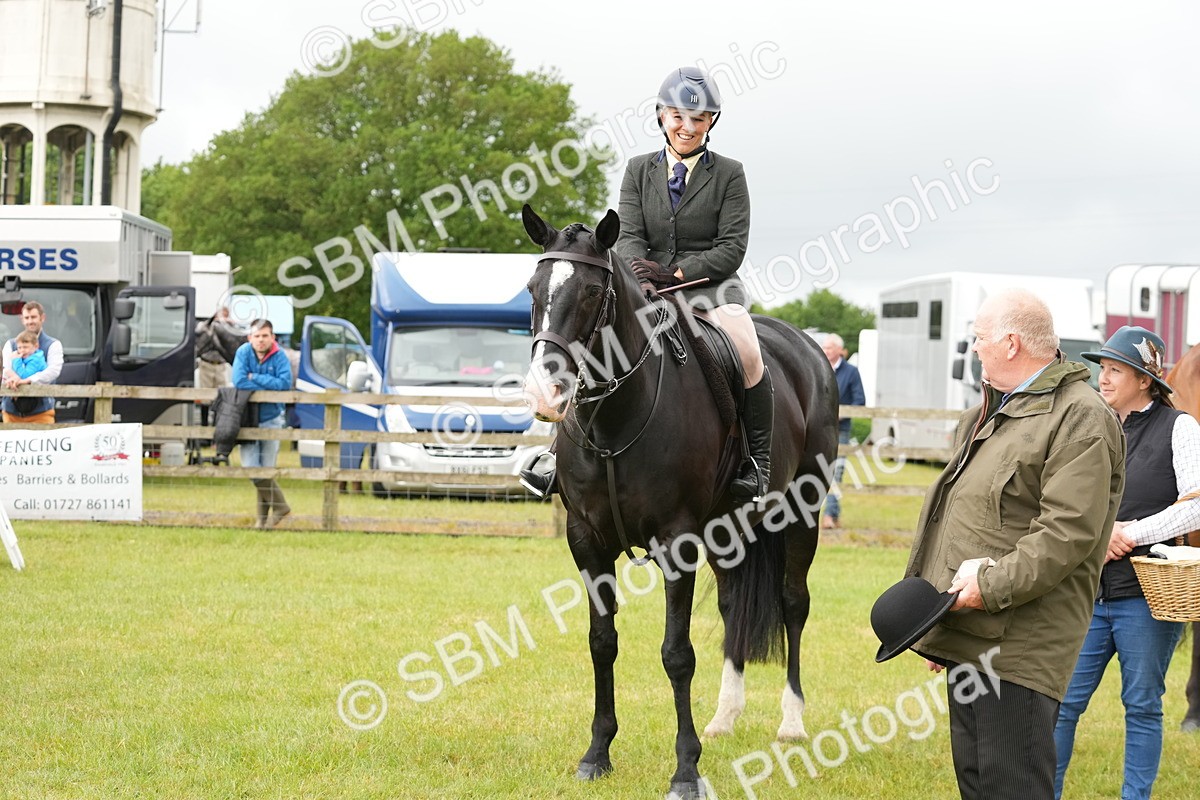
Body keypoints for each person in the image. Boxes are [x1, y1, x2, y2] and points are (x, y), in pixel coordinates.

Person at [903, 289, 1125, 800]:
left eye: (979, 338)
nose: (974, 348)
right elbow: (968, 522)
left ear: (1010, 343)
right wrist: (941, 621)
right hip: (973, 632)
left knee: (1012, 786)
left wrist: (983, 589)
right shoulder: (992, 410)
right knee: (978, 783)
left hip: (1020, 648)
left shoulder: (1080, 416)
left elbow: (1065, 534)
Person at [521, 66, 769, 502]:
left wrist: (676, 273)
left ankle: (756, 462)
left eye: (698, 118)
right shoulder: (638, 169)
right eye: (678, 117)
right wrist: (640, 272)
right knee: (593, 345)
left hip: (710, 290)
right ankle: (558, 455)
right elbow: (629, 232)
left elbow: (732, 247)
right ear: (661, 116)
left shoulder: (730, 173)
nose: (687, 127)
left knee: (747, 350)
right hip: (645, 287)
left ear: (711, 121)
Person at [1053, 326, 1194, 800]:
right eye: (1103, 369)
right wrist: (1100, 534)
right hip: (1087, 592)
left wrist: (1129, 534)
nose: (1104, 378)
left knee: (1142, 707)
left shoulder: (1180, 428)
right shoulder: (1092, 424)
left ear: (1145, 379)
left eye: (1116, 370)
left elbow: (1196, 505)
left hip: (1146, 595)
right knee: (1062, 703)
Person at [232, 318, 293, 528]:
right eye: (257, 336)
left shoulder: (280, 356)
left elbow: (284, 383)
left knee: (266, 470)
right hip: (247, 419)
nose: (261, 340)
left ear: (272, 337)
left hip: (271, 418)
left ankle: (262, 522)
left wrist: (254, 377)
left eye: (265, 336)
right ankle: (281, 507)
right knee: (251, 468)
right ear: (250, 337)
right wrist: (266, 384)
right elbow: (239, 381)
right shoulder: (243, 352)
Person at [821, 333, 865, 528]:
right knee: (819, 471)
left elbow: (859, 401)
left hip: (841, 430)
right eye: (824, 347)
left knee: (836, 472)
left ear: (839, 350)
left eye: (829, 348)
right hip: (817, 430)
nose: (826, 351)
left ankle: (829, 515)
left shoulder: (851, 372)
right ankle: (833, 514)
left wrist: (840, 414)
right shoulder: (818, 366)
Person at [2, 301, 63, 424]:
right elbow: (5, 368)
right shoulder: (10, 344)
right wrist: (13, 378)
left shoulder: (53, 345)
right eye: (27, 318)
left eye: (33, 317)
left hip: (41, 412)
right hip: (11, 411)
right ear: (22, 319)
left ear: (42, 318)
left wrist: (28, 380)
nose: (30, 321)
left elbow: (53, 371)